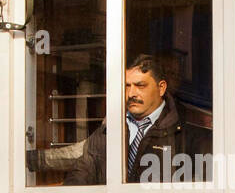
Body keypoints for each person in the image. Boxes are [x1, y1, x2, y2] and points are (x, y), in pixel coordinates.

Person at [64, 54, 209, 186]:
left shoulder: (188, 133)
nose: (131, 93)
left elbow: (203, 191)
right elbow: (79, 177)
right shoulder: (108, 130)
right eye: (127, 86)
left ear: (161, 88)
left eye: (140, 86)